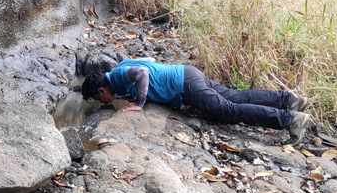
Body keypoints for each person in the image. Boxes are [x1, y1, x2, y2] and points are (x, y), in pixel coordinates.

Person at [81, 58, 313, 144]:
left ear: (102, 90)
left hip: (186, 85)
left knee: (229, 111)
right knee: (235, 96)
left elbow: (142, 72)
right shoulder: (118, 70)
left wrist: (140, 103)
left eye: (99, 99)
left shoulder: (119, 76)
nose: (102, 103)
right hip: (187, 74)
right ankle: (290, 100)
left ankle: (291, 120)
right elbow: (149, 59)